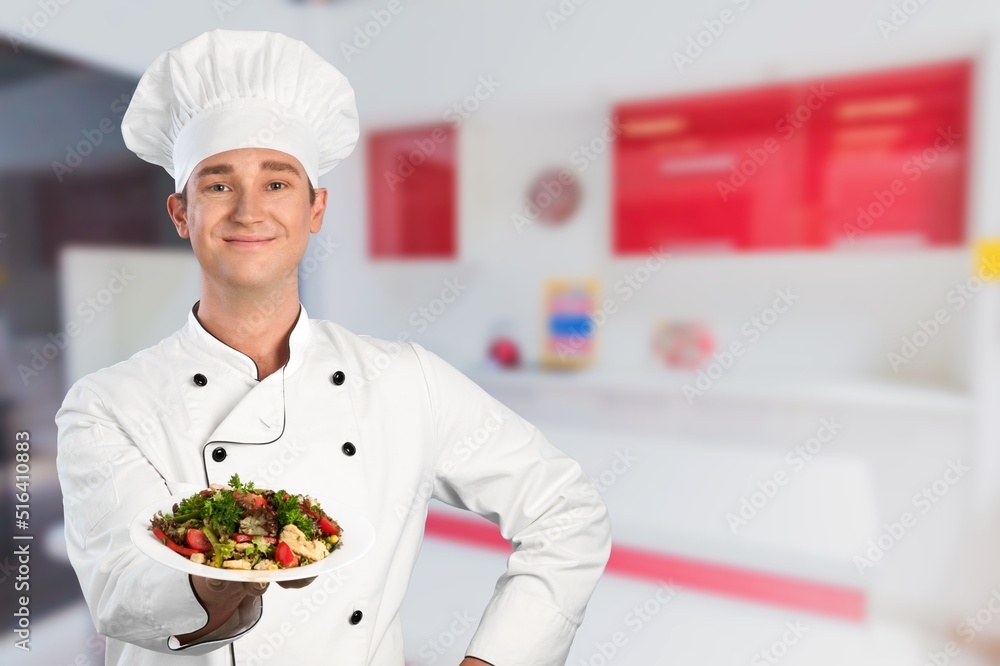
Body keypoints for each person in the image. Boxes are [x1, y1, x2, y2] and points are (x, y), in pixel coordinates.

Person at [54, 29, 612, 666]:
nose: (247, 211)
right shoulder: (106, 405)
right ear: (181, 214)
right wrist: (231, 566)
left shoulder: (406, 382)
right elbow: (121, 598)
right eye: (216, 185)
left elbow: (566, 512)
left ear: (316, 208)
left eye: (277, 183)